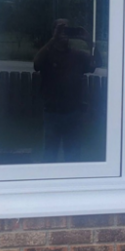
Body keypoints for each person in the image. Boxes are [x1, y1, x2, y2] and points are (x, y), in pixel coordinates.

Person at [33, 19, 99, 162]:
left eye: (67, 29)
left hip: (73, 112)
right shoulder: (48, 53)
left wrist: (89, 42)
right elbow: (36, 64)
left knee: (73, 156)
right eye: (60, 29)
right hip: (52, 112)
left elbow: (95, 64)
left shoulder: (78, 55)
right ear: (54, 32)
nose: (64, 33)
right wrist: (53, 40)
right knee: (50, 155)